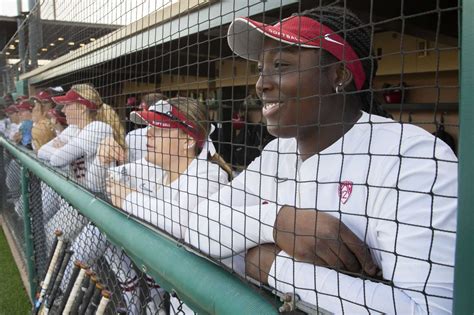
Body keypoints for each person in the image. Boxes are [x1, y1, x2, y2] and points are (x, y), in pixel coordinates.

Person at [106, 97, 234, 313]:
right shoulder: (158, 170)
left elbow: (187, 223)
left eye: (160, 129)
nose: (148, 133)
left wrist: (130, 198)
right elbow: (111, 179)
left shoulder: (210, 174)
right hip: (178, 288)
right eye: (150, 126)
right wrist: (105, 157)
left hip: (212, 297)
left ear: (188, 141)